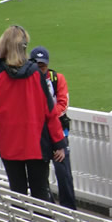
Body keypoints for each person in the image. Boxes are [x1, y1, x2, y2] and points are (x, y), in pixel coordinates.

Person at [0, 25, 66, 201]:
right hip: (35, 143)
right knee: (40, 193)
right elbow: (50, 111)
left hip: (9, 144)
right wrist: (58, 142)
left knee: (18, 193)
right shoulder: (36, 73)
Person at [30, 46, 77, 210]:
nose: (40, 69)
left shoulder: (57, 79)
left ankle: (70, 211)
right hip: (38, 134)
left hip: (58, 132)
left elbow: (63, 104)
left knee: (64, 173)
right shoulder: (27, 81)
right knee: (40, 176)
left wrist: (47, 116)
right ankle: (48, 208)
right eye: (36, 66)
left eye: (42, 66)